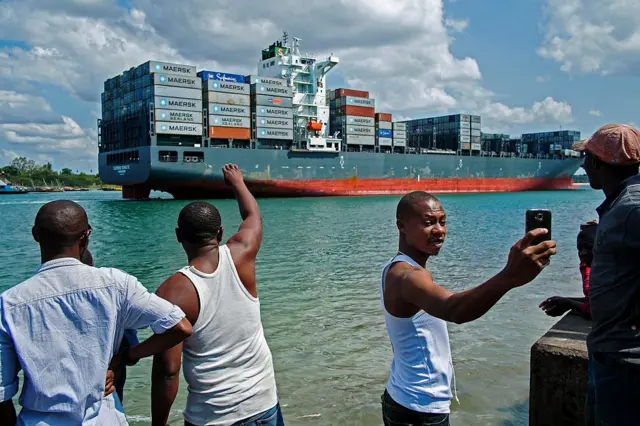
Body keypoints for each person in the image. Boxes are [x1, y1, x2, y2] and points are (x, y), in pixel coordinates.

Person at [0, 200, 193, 426]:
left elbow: (2, 395)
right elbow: (180, 326)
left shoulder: (9, 304)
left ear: (35, 235)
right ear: (85, 237)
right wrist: (127, 357)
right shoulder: (116, 285)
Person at [380, 191, 557, 426]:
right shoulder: (408, 276)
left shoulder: (398, 268)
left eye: (443, 221)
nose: (439, 230)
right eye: (428, 222)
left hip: (404, 399)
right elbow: (454, 309)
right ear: (401, 226)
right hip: (418, 408)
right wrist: (508, 277)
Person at [151, 164, 283, 426]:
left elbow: (168, 371)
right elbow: (253, 214)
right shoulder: (242, 254)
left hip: (213, 417)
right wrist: (236, 182)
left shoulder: (171, 293)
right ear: (220, 233)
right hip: (264, 405)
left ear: (178, 236)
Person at [572, 123, 640, 426]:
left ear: (597, 164)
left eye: (586, 158)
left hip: (625, 363)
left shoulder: (631, 208)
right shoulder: (623, 207)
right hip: (611, 355)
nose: (583, 166)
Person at [80, 249, 140, 404]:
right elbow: (132, 354)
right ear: (92, 269)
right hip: (108, 396)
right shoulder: (112, 303)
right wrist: (120, 358)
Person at [540, 221, 598, 320]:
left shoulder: (611, 272)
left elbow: (597, 311)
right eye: (579, 249)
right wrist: (565, 301)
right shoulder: (587, 265)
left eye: (589, 248)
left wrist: (570, 304)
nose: (582, 253)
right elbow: (595, 300)